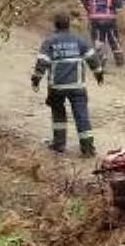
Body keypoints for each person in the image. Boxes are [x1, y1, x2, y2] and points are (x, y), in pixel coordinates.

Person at [31, 11, 103, 157]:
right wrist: (98, 74)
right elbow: (92, 59)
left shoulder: (50, 41)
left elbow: (42, 62)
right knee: (81, 115)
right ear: (69, 24)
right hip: (77, 87)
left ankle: (59, 144)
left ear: (55, 25)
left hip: (56, 87)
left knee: (58, 113)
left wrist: (36, 79)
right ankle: (88, 148)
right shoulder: (79, 40)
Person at [80, 0, 125, 66]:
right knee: (113, 37)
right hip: (110, 18)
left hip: (95, 18)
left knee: (98, 38)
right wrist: (114, 8)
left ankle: (101, 57)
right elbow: (119, 5)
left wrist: (89, 10)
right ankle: (119, 59)